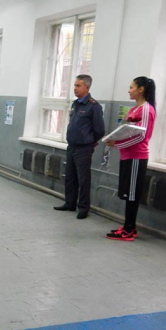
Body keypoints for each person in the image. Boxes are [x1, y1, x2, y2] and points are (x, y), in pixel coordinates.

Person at [104, 77, 156, 241]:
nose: (128, 90)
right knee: (127, 193)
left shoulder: (146, 110)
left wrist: (117, 144)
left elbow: (142, 137)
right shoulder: (134, 109)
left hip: (136, 157)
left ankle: (128, 230)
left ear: (141, 89)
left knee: (132, 194)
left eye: (131, 87)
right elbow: (126, 131)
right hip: (126, 156)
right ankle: (129, 226)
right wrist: (115, 139)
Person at [54, 74, 106, 220]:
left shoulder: (93, 106)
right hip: (72, 146)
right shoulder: (75, 104)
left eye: (78, 85)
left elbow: (100, 130)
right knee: (70, 177)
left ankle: (83, 208)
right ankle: (70, 203)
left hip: (84, 148)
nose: (75, 88)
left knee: (83, 179)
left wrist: (89, 141)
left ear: (87, 87)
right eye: (74, 85)